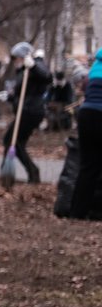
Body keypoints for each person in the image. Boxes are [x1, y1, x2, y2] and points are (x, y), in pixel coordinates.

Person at [0, 42, 51, 184]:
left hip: (31, 112)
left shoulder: (35, 66)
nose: (15, 61)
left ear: (23, 57)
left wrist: (33, 66)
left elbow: (47, 77)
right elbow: (22, 92)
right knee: (15, 142)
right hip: (26, 111)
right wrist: (9, 97)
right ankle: (25, 174)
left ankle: (9, 177)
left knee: (11, 141)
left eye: (17, 58)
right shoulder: (23, 71)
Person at [69, 48, 102, 219]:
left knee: (88, 166)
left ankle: (77, 211)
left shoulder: (95, 65)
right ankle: (97, 210)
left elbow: (84, 88)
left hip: (87, 114)